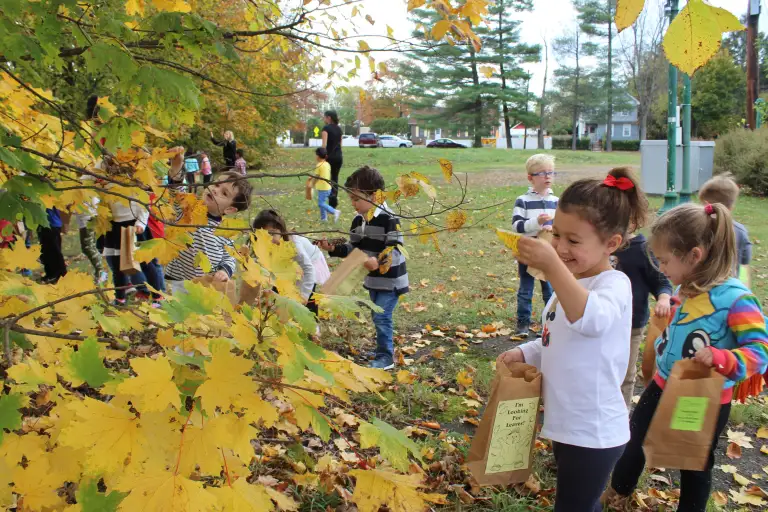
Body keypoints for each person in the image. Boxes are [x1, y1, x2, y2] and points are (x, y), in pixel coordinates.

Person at [497, 167, 648, 511]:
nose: (561, 248)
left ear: (612, 244)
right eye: (557, 236)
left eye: (574, 241)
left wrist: (553, 267)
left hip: (594, 430)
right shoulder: (570, 285)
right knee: (576, 503)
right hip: (566, 423)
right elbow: (556, 338)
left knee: (574, 506)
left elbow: (590, 320)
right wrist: (524, 352)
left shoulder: (614, 285)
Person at [606, 202, 768, 512]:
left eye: (664, 261)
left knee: (693, 460)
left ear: (695, 256)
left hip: (701, 399)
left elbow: (759, 353)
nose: (661, 269)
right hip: (663, 384)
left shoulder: (737, 300)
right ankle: (617, 496)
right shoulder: (689, 288)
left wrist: (722, 358)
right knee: (635, 439)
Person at [318, 166, 408, 370]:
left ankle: (386, 357)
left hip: (391, 280)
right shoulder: (359, 220)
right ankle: (381, 350)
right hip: (373, 280)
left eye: (356, 199)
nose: (353, 204)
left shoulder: (389, 219)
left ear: (375, 196)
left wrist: (378, 261)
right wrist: (333, 248)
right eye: (351, 199)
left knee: (381, 316)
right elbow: (354, 248)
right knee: (377, 314)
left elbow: (394, 247)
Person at [165, 149, 253, 294]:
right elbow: (177, 191)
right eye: (217, 184)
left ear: (230, 209)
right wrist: (176, 168)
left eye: (224, 193)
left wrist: (224, 271)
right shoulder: (189, 210)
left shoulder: (225, 230)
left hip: (206, 286)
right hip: (179, 281)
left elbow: (229, 256)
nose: (216, 190)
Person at [613, 224, 673, 407]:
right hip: (600, 322)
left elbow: (661, 281)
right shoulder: (598, 242)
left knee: (626, 374)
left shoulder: (642, 249)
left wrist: (663, 298)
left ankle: (622, 419)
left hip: (632, 324)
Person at [512, 154, 559, 337]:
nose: (548, 177)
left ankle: (549, 324)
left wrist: (553, 227)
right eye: (542, 173)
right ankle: (523, 324)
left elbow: (562, 225)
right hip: (528, 251)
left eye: (551, 172)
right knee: (526, 289)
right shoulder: (523, 200)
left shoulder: (556, 201)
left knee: (549, 289)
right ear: (530, 178)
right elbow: (517, 226)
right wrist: (537, 223)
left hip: (548, 252)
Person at [252, 209, 319, 313]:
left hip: (311, 264)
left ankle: (314, 326)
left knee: (307, 299)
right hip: (289, 267)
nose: (269, 240)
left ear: (281, 230)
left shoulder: (294, 245)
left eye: (272, 234)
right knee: (280, 292)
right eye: (263, 236)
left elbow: (308, 270)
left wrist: (305, 295)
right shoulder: (266, 246)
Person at [698, 174, 752, 285]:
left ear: (706, 204)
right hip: (730, 291)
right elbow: (744, 266)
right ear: (731, 207)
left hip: (700, 288)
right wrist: (744, 291)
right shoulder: (740, 232)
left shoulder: (697, 228)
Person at [38, 207, 68, 284]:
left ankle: (61, 274)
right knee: (45, 250)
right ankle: (50, 274)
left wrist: (65, 224)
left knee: (54, 250)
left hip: (52, 223)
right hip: (43, 223)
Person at [311, 147, 341, 223]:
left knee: (321, 203)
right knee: (322, 203)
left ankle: (335, 211)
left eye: (316, 155)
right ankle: (324, 219)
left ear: (318, 156)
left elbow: (316, 176)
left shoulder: (319, 165)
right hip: (328, 187)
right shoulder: (327, 164)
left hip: (323, 188)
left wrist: (312, 184)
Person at [321, 110, 343, 209]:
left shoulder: (326, 129)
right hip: (338, 157)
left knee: (326, 179)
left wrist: (321, 156)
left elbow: (324, 145)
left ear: (329, 118)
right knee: (335, 179)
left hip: (329, 157)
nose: (323, 119)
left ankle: (327, 200)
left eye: (324, 117)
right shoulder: (339, 129)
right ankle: (333, 202)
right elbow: (340, 145)